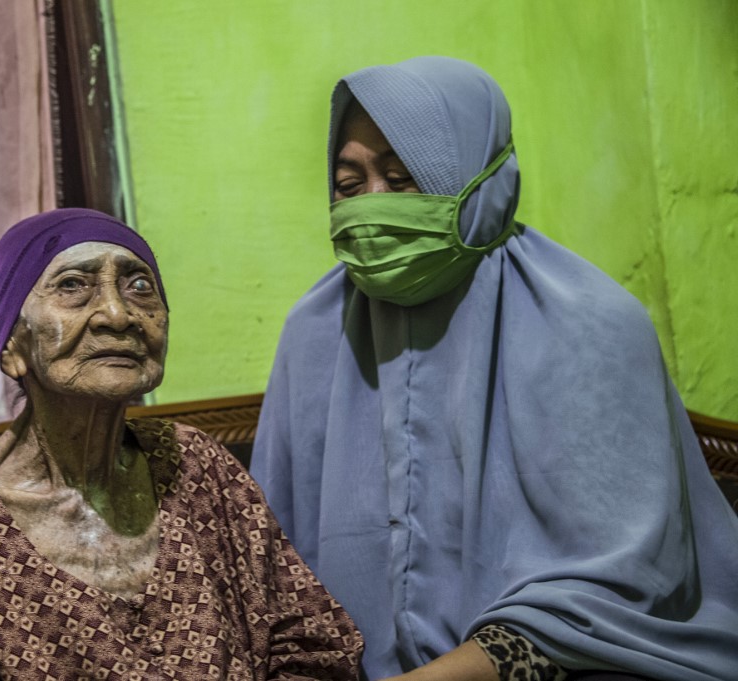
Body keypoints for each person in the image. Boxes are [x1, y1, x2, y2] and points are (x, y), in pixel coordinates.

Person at [249, 56, 738, 681]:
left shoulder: (589, 324)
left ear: (484, 181)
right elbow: (274, 574)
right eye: (350, 185)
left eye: (402, 180)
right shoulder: (314, 334)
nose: (373, 206)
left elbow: (621, 586)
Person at [0, 208, 363, 680]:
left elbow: (310, 643)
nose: (119, 314)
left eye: (139, 285)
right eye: (73, 285)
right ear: (11, 347)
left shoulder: (196, 465)